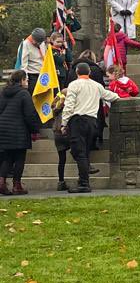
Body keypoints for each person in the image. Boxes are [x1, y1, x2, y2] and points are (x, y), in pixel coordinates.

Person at [60, 62, 117, 193]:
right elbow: (110, 96)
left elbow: (69, 105)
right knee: (84, 151)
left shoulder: (74, 85)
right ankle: (84, 180)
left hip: (78, 120)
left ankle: (84, 183)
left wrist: (64, 123)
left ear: (77, 72)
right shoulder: (97, 86)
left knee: (78, 152)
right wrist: (120, 97)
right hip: (92, 122)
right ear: (89, 73)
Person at [0, 70, 43, 196]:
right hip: (19, 130)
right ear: (21, 80)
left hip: (3, 129)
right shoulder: (24, 94)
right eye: (26, 79)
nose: (28, 81)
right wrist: (35, 130)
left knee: (7, 158)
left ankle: (1, 182)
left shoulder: (3, 93)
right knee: (19, 158)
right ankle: (17, 185)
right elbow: (29, 114)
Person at [51, 89, 71, 192]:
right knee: (79, 155)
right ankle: (82, 178)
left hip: (57, 133)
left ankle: (61, 181)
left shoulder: (55, 106)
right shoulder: (69, 106)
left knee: (62, 159)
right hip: (68, 132)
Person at [18, 27, 47, 93]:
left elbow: (44, 57)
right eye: (36, 41)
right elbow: (24, 64)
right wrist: (25, 79)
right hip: (32, 75)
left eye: (39, 42)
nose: (37, 44)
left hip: (42, 74)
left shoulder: (42, 43)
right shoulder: (25, 44)